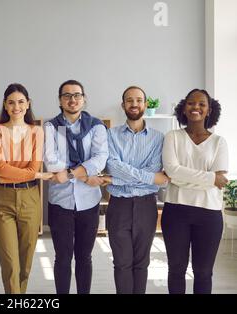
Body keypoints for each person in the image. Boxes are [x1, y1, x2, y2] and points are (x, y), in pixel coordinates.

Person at [44, 79, 109, 294]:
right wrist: (83, 175)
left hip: (88, 202)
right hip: (60, 202)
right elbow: (51, 161)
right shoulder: (52, 126)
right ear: (60, 100)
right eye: (67, 96)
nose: (72, 100)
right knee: (62, 258)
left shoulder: (96, 126)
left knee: (84, 257)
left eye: (77, 95)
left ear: (84, 99)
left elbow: (100, 158)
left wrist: (70, 173)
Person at [0, 83, 53, 293]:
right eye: (11, 102)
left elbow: (31, 166)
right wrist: (36, 174)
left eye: (21, 102)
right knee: (10, 262)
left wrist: (27, 173)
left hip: (30, 198)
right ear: (5, 106)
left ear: (28, 104)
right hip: (3, 200)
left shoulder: (36, 131)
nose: (16, 106)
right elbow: (0, 167)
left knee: (25, 262)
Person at [162, 89, 228, 294]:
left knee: (203, 272)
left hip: (209, 214)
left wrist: (182, 178)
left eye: (201, 104)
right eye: (191, 103)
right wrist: (209, 178)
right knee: (176, 270)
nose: (196, 107)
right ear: (184, 107)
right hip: (176, 212)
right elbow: (172, 171)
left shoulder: (219, 142)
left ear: (209, 110)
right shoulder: (172, 136)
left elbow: (220, 180)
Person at [105, 86, 169, 294]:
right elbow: (113, 165)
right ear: (123, 105)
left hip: (146, 206)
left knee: (141, 263)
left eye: (139, 100)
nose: (134, 104)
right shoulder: (110, 135)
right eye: (130, 100)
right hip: (119, 206)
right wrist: (149, 178)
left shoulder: (158, 138)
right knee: (122, 263)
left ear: (145, 104)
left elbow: (155, 170)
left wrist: (116, 178)